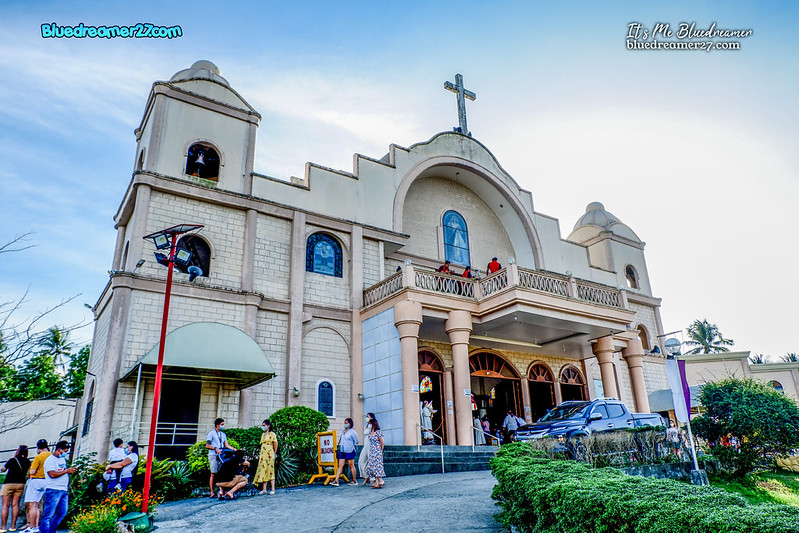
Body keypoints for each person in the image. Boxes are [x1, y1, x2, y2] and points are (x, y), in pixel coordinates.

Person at [39, 441, 75, 533]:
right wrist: (66, 471)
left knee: (62, 512)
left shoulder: (62, 460)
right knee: (48, 514)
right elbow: (52, 474)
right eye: (64, 451)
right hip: (53, 489)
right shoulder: (50, 460)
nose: (65, 453)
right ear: (58, 450)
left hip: (63, 489)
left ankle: (52, 530)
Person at [22, 439, 50, 533]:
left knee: (32, 505)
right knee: (38, 505)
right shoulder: (52, 456)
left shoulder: (38, 457)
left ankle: (32, 526)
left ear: (38, 448)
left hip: (36, 480)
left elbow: (32, 471)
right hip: (47, 481)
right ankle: (37, 525)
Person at [1, 445, 30, 532]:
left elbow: (3, 469)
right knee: (15, 505)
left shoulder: (12, 460)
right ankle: (13, 526)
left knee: (5, 505)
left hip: (8, 484)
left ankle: (3, 527)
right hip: (20, 484)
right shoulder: (28, 461)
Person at [206, 418, 237, 498]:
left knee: (222, 473)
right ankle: (212, 492)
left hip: (222, 455)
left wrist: (234, 449)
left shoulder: (223, 434)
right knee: (213, 473)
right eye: (222, 424)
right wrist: (215, 448)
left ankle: (222, 491)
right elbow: (207, 445)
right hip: (214, 455)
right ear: (217, 425)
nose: (223, 426)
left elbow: (226, 445)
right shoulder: (211, 433)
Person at [330, 418, 358, 487]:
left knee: (351, 465)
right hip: (342, 450)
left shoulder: (353, 432)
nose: (345, 424)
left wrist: (352, 447)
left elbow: (356, 441)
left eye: (347, 423)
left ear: (350, 424)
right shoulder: (343, 431)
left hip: (349, 450)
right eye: (345, 422)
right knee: (340, 466)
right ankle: (336, 480)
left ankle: (354, 480)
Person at [253, 419, 278, 495]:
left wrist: (274, 452)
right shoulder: (263, 435)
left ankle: (273, 488)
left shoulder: (272, 434)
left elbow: (275, 444)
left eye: (264, 425)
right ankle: (264, 489)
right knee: (263, 469)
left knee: (270, 470)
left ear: (268, 426)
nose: (263, 427)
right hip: (263, 454)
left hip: (269, 453)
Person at [366, 418, 385, 489]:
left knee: (377, 466)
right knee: (372, 466)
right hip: (372, 451)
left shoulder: (378, 432)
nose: (369, 425)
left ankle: (380, 480)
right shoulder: (370, 433)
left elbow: (382, 442)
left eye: (370, 423)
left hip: (377, 451)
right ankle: (377, 482)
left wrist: (380, 451)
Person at [359, 413, 377, 486]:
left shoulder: (374, 425)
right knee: (361, 461)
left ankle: (374, 479)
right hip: (365, 444)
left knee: (371, 462)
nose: (366, 418)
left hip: (371, 445)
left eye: (368, 416)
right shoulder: (367, 425)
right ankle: (366, 477)